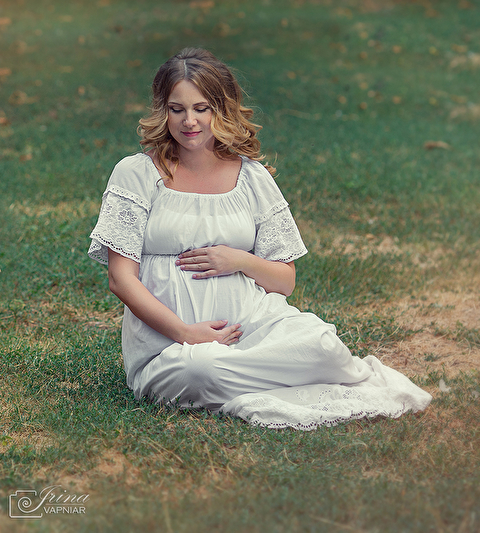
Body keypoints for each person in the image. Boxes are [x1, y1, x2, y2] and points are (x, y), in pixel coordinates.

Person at [88, 48, 431, 429]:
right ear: (162, 111)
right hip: (172, 346)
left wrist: (238, 260)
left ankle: (253, 372)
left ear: (221, 109)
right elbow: (120, 279)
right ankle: (256, 376)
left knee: (324, 347)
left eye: (202, 108)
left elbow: (284, 282)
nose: (189, 121)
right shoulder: (136, 174)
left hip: (253, 327)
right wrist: (186, 334)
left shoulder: (251, 177)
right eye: (177, 109)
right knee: (202, 369)